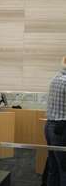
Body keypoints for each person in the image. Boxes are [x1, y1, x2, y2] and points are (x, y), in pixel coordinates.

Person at [45, 56, 66, 186]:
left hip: (49, 126)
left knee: (53, 167)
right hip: (61, 128)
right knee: (64, 168)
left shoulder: (56, 78)